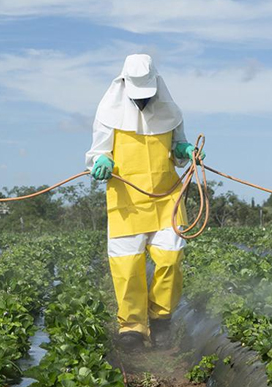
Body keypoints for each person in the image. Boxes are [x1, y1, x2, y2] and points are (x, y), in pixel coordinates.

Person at [86, 54, 203, 349]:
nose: (143, 102)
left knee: (171, 259)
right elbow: (98, 152)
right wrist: (101, 161)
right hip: (127, 200)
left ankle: (161, 318)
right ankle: (132, 327)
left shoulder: (170, 111)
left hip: (166, 198)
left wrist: (185, 150)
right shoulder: (107, 112)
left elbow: (177, 151)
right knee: (128, 267)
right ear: (124, 86)